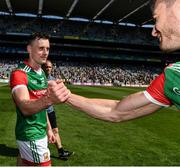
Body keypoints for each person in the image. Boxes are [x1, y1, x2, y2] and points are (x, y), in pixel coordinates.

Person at [60, 0, 180, 122]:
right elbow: (116, 111)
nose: (153, 31)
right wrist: (66, 96)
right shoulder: (171, 78)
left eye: (156, 19)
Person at [10, 32, 70, 166]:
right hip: (31, 133)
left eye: (47, 49)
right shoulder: (19, 74)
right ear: (29, 49)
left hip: (40, 131)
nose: (45, 52)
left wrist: (48, 129)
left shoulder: (41, 73)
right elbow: (25, 107)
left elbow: (43, 108)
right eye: (41, 48)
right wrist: (51, 98)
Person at [42, 60, 73, 160]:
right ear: (43, 67)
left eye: (50, 67)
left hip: (50, 110)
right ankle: (42, 154)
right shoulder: (38, 78)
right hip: (40, 111)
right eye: (46, 67)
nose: (48, 68)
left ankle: (61, 152)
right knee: (43, 133)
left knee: (55, 130)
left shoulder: (53, 79)